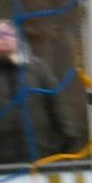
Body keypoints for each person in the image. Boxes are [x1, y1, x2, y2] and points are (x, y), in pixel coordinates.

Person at [0, 19, 87, 163]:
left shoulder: (37, 68)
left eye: (7, 34)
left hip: (40, 156)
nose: (4, 39)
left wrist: (68, 142)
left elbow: (58, 107)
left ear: (16, 38)